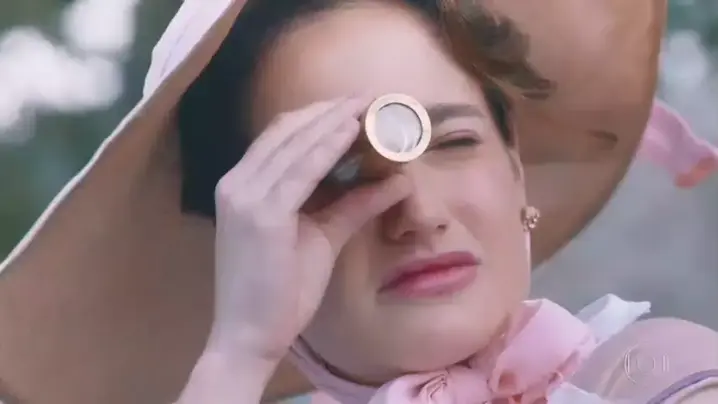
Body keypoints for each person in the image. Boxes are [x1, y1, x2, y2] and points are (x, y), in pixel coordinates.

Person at [0, 0, 717, 403]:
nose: (419, 211)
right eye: (334, 172)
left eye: (454, 140)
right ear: (248, 250)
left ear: (515, 171)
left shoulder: (654, 379)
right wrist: (238, 353)